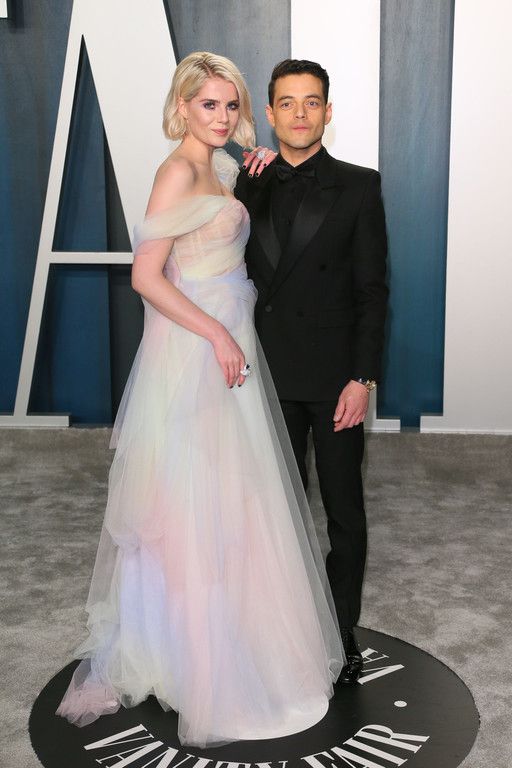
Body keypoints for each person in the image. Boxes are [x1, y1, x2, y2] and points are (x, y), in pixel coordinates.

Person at [55, 52, 344, 748]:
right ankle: (187, 656)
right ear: (181, 105)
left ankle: (236, 638)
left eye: (230, 104)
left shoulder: (221, 164)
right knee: (191, 502)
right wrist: (215, 333)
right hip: (195, 350)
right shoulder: (177, 172)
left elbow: (235, 211)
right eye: (207, 104)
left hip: (230, 346)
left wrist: (252, 157)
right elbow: (146, 277)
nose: (220, 116)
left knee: (235, 499)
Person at [235, 59, 388, 684]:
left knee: (343, 511)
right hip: (265, 374)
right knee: (274, 509)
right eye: (288, 103)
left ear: (328, 111)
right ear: (270, 114)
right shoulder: (247, 182)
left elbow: (372, 291)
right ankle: (280, 628)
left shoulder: (359, 186)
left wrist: (362, 378)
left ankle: (341, 630)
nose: (300, 114)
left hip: (334, 382)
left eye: (312, 102)